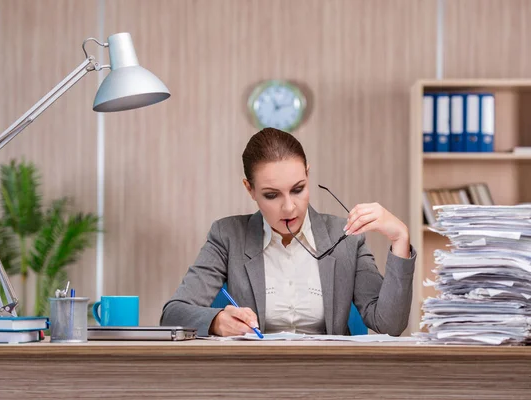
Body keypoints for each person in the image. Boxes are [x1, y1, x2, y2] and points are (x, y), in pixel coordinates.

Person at [160, 127, 416, 337]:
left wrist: (400, 238)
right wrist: (216, 320)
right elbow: (173, 314)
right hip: (254, 379)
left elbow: (390, 324)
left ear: (308, 174)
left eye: (298, 189)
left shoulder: (346, 235)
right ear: (249, 189)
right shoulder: (228, 235)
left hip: (329, 379)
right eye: (271, 195)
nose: (289, 207)